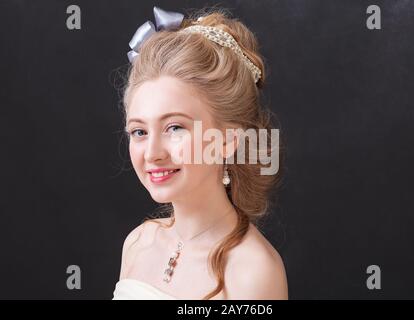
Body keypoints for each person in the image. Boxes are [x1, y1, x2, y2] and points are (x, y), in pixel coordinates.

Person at [113, 6, 288, 300]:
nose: (152, 153)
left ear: (228, 140)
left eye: (175, 128)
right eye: (140, 132)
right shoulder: (137, 243)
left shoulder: (251, 273)